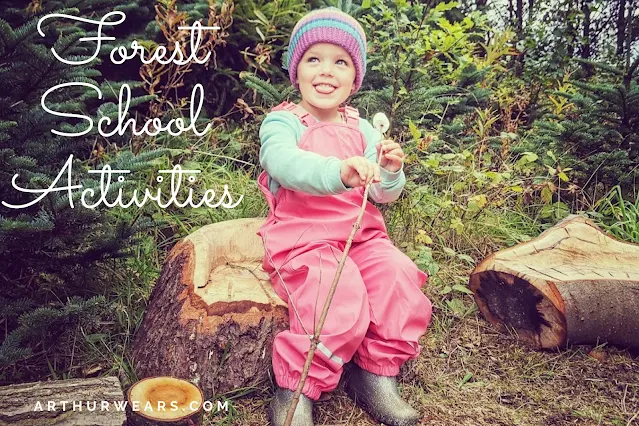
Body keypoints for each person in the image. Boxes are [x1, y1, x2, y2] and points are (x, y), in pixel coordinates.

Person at [256, 7, 432, 426]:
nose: (326, 71)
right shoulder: (283, 123)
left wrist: (389, 171)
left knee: (398, 278)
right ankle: (295, 391)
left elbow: (383, 194)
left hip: (362, 239)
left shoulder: (363, 129)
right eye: (313, 59)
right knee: (336, 297)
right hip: (305, 238)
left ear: (355, 78)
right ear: (296, 71)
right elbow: (283, 164)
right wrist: (338, 172)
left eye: (341, 62)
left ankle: (376, 375)